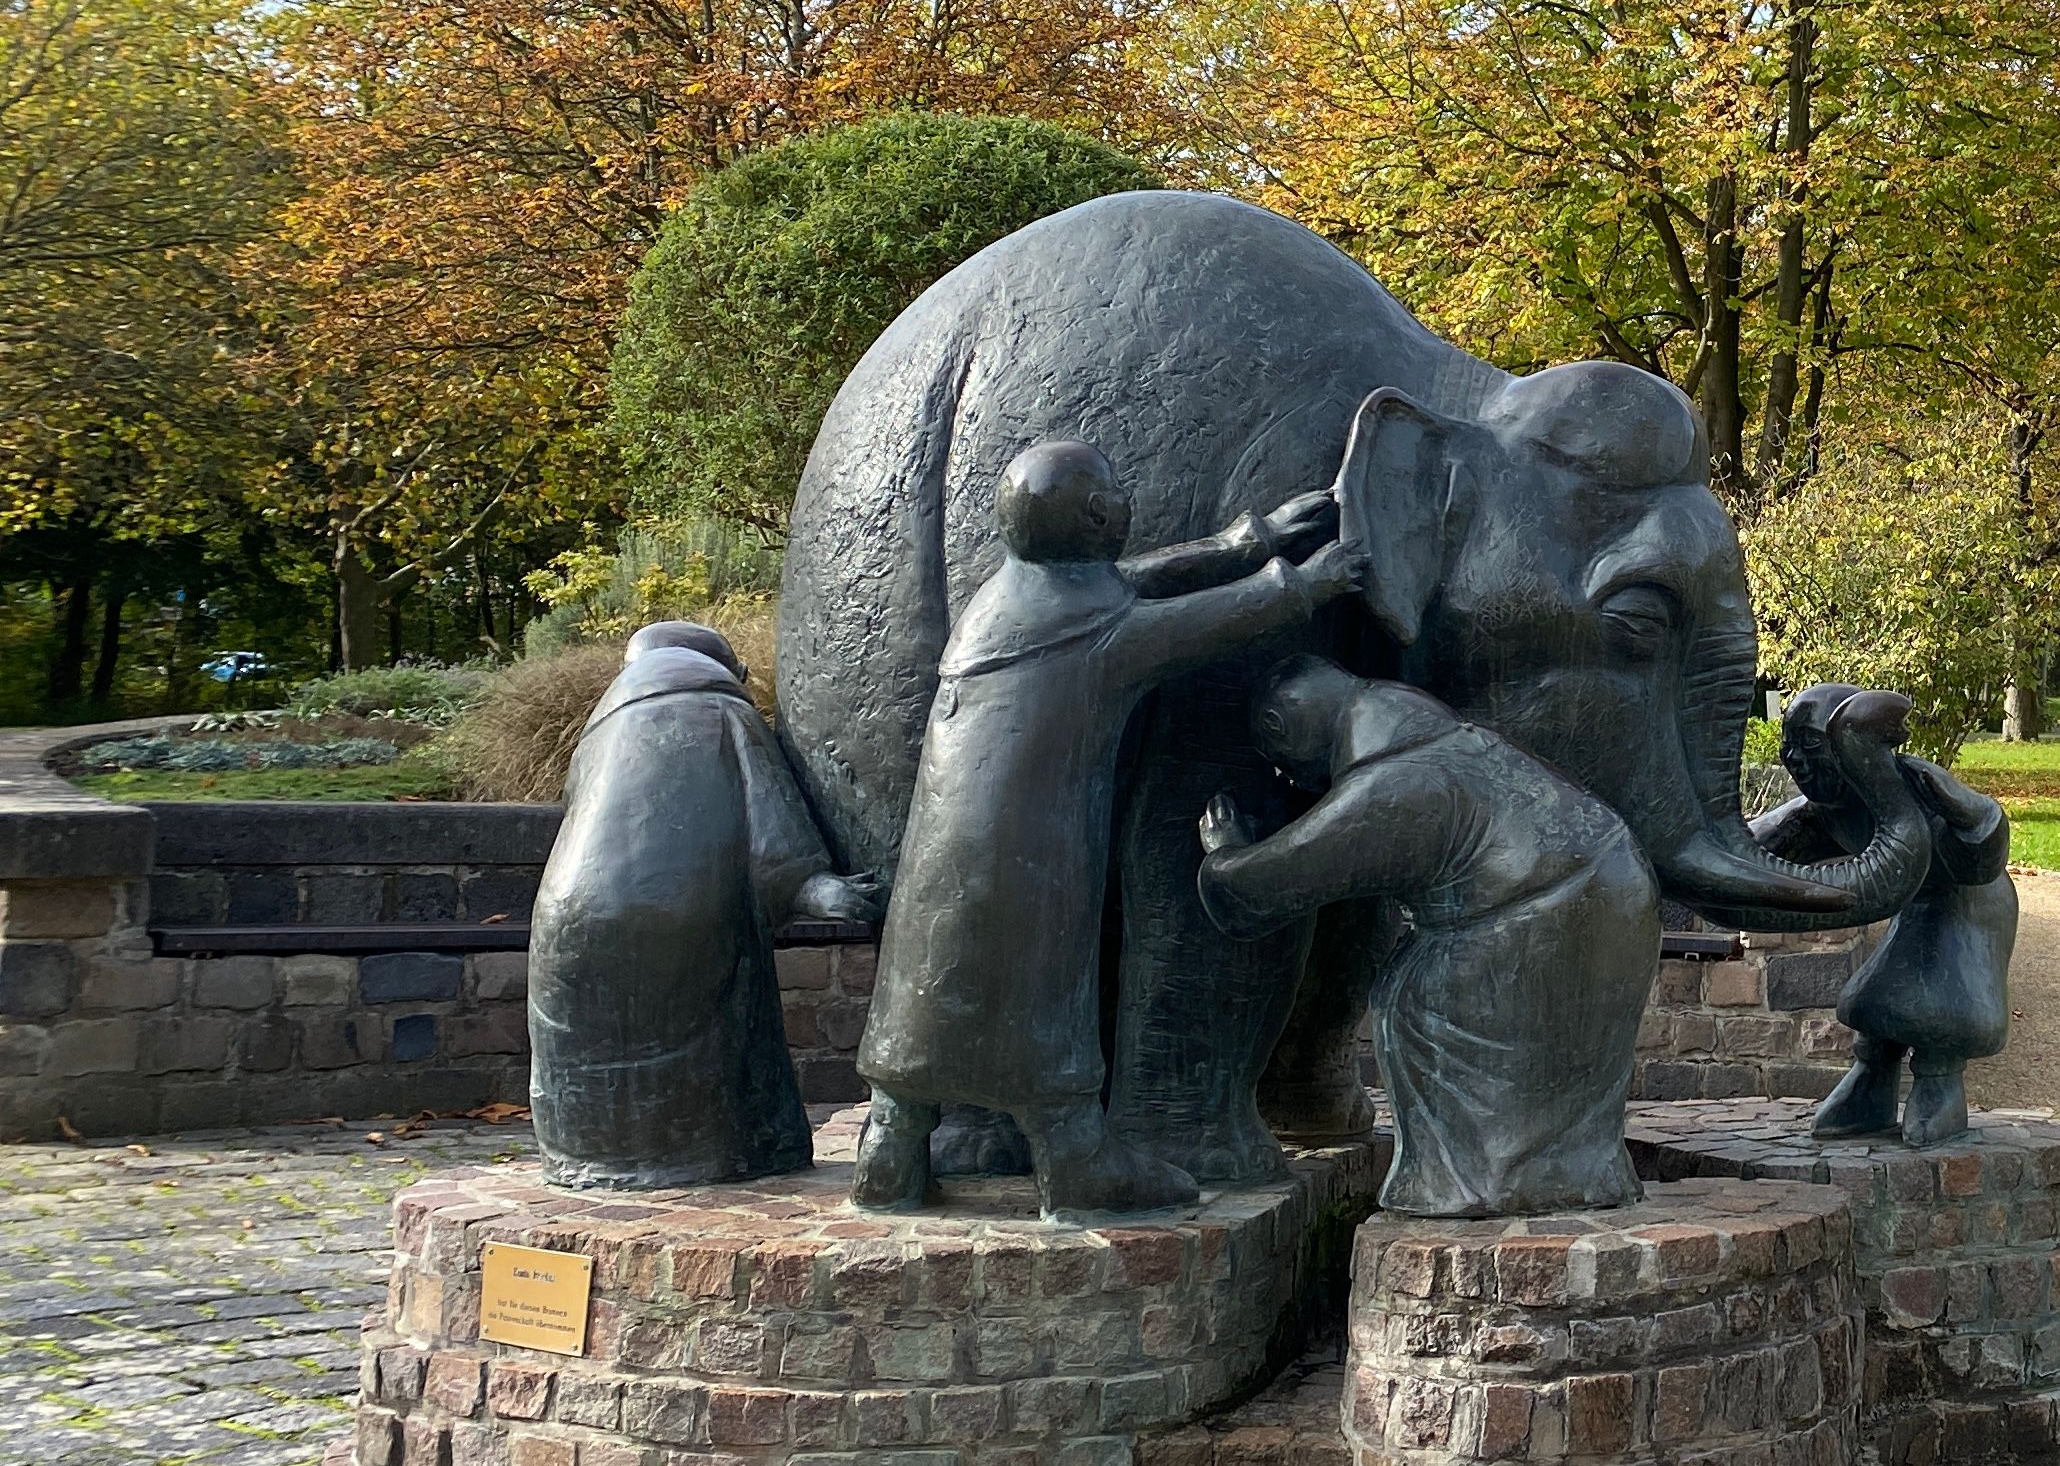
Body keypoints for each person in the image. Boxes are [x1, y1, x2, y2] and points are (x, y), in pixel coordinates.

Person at [854, 440, 1353, 1218]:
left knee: (928, 972)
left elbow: (1124, 586)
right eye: (1116, 492)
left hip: (941, 861)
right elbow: (1192, 624)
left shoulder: (1010, 600)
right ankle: (1074, 1159)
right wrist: (1303, 585)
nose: (1126, 504)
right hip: (1030, 864)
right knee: (1033, 974)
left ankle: (893, 1148)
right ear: (1097, 515)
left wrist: (1244, 543)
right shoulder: (1091, 633)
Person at [1194, 660, 1657, 1218]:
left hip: (1545, 914)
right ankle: (1567, 1172)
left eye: (1281, 763)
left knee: (1417, 1000)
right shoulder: (1443, 738)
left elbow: (1263, 889)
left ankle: (1481, 1182)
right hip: (1613, 885)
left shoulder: (1393, 782)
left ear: (1281, 726)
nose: (1290, 781)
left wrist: (1224, 855)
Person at [531, 622, 876, 1191]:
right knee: (708, 1052)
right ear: (732, 672)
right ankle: (725, 1155)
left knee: (592, 1050)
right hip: (683, 913)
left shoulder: (600, 730)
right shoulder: (725, 713)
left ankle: (587, 1157)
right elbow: (770, 827)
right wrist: (817, 886)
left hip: (569, 912)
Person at [1761, 685, 2015, 1152]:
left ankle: (1940, 1083)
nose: (1796, 759)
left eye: (1811, 746)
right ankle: (1870, 1081)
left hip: (1969, 900)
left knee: (1942, 1002)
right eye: (1788, 746)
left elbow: (1985, 840)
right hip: (1913, 900)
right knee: (1877, 993)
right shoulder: (1823, 812)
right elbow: (1758, 842)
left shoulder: (1910, 784)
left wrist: (1962, 807)